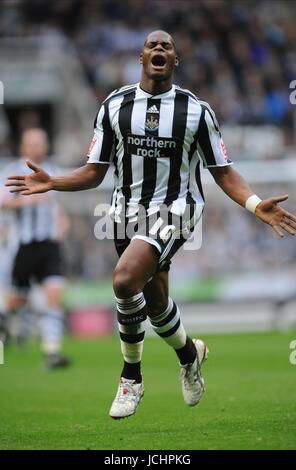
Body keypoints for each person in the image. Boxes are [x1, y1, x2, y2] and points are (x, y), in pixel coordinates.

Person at [5, 31, 296, 417]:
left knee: (125, 280)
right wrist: (53, 181)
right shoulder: (115, 106)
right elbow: (94, 172)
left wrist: (255, 204)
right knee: (156, 303)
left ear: (175, 61)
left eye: (167, 46)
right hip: (126, 214)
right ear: (141, 57)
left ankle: (131, 378)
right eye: (152, 46)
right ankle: (190, 355)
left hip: (177, 210)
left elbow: (223, 172)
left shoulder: (197, 111)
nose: (159, 49)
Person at [2, 128, 71, 369]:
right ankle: (4, 321)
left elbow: (58, 207)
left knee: (54, 296)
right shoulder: (13, 172)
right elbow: (3, 202)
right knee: (16, 300)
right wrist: (28, 199)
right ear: (23, 147)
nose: (37, 147)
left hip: (49, 245)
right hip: (24, 246)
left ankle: (52, 352)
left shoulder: (53, 170)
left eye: (40, 143)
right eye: (32, 143)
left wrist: (62, 222)